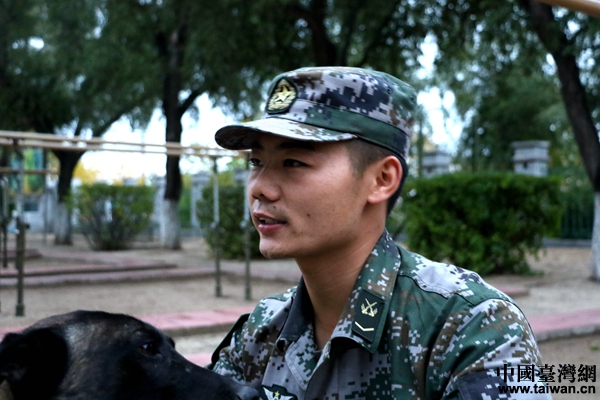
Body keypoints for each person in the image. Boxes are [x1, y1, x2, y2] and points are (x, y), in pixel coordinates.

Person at [209, 66, 551, 400]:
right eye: (255, 162)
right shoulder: (262, 329)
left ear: (382, 180)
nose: (260, 188)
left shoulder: (471, 327)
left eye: (293, 163)